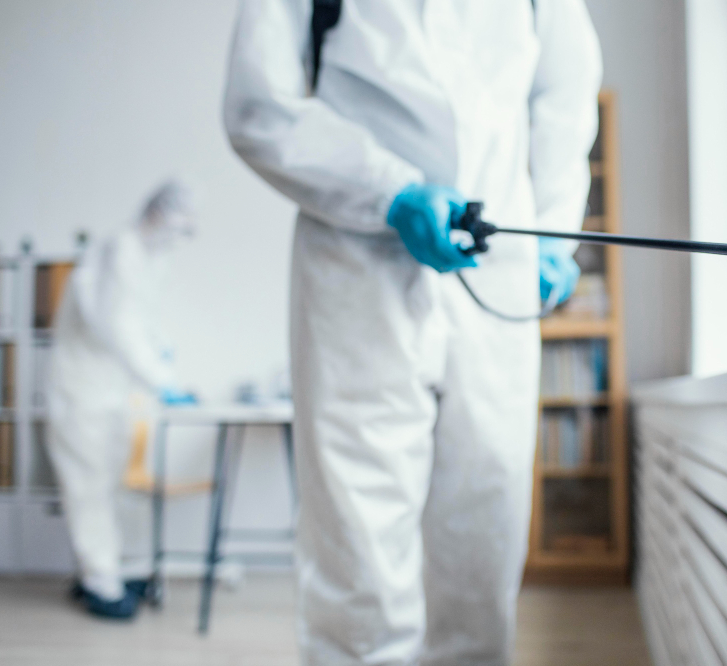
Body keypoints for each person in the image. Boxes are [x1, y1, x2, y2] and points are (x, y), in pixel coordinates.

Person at [224, 0, 601, 662]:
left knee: (486, 524)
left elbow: (565, 94)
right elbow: (260, 106)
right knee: (357, 538)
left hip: (499, 270)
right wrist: (388, 192)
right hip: (356, 267)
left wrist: (552, 229)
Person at [46, 180, 197, 619]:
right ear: (158, 214)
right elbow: (118, 325)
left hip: (110, 391)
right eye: (179, 227)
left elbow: (142, 322)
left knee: (111, 486)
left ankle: (104, 570)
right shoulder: (121, 250)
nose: (178, 238)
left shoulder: (147, 257)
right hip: (80, 391)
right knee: (88, 487)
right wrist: (162, 380)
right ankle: (100, 583)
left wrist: (163, 356)